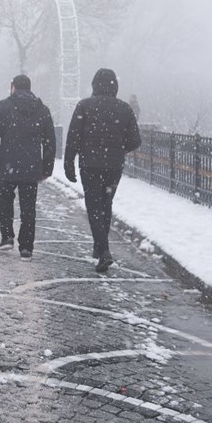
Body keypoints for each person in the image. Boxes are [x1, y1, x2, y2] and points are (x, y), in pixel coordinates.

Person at [64, 69, 142, 272]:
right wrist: (120, 148)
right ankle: (99, 247)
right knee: (106, 204)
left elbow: (73, 136)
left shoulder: (85, 106)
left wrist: (69, 162)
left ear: (94, 84)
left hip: (89, 164)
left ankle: (104, 250)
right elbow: (136, 140)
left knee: (94, 206)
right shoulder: (124, 109)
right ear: (115, 85)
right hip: (114, 165)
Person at [0, 74, 55, 260]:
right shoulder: (42, 110)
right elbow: (49, 141)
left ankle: (7, 236)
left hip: (7, 163)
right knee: (28, 207)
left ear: (13, 87)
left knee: (5, 199)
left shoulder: (3, 106)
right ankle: (26, 247)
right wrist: (47, 168)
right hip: (31, 165)